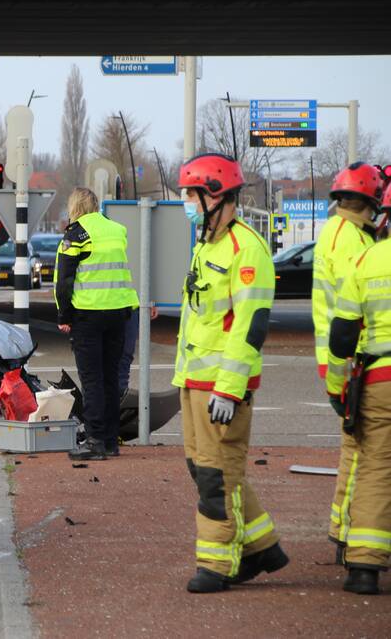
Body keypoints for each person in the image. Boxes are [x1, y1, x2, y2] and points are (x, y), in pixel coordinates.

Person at [173, 153, 288, 593]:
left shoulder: (246, 249)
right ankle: (263, 548)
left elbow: (248, 327)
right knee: (206, 469)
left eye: (190, 194)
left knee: (216, 475)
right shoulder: (207, 243)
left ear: (215, 196)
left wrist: (229, 388)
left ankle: (218, 564)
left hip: (222, 388)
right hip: (195, 381)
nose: (185, 202)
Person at [311, 163, 382, 564]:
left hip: (334, 354)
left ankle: (343, 529)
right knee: (360, 447)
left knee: (353, 445)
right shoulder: (355, 242)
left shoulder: (333, 232)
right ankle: (346, 532)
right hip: (353, 356)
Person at [325, 233, 391, 594]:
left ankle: (364, 566)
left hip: (381, 379)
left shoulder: (366, 260)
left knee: (376, 468)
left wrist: (338, 389)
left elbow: (342, 335)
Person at [54, 187, 138, 460]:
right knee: (111, 377)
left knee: (92, 380)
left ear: (75, 206)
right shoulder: (117, 230)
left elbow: (64, 280)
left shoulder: (75, 233)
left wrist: (64, 316)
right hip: (119, 312)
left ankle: (95, 441)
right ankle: (112, 441)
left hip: (89, 314)